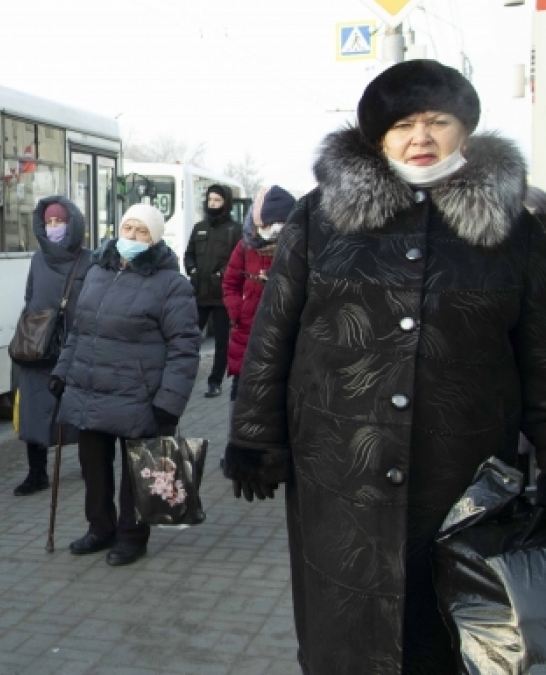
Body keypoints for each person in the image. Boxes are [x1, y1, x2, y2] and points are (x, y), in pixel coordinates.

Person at [222, 59, 546, 674]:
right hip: (338, 470)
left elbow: (540, 354)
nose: (419, 138)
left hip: (462, 480)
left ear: (465, 130)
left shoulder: (514, 233)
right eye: (402, 125)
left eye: (436, 122)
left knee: (444, 634)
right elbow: (273, 336)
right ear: (378, 137)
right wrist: (256, 436)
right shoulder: (320, 219)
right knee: (342, 633)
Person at [51, 204, 201, 565]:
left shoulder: (172, 285)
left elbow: (185, 347)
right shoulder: (98, 272)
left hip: (139, 395)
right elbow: (78, 331)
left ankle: (132, 536)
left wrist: (170, 400)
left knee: (138, 470)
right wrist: (61, 371)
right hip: (90, 389)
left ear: (156, 238)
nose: (131, 237)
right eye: (127, 228)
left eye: (141, 232)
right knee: (93, 467)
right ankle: (99, 528)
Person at [11, 197, 90, 496]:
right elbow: (30, 299)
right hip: (39, 346)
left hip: (75, 346)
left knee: (80, 409)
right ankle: (36, 473)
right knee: (34, 410)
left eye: (60, 222)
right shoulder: (37, 259)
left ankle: (89, 464)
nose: (54, 228)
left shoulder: (88, 260)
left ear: (73, 225)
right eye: (49, 222)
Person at [221, 185, 295, 403]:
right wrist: (238, 312)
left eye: (280, 224)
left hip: (282, 337)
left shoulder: (298, 249)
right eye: (269, 224)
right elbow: (230, 283)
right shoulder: (245, 247)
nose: (273, 230)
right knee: (241, 404)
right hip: (246, 334)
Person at [183, 184, 240, 398]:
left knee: (222, 342)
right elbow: (189, 254)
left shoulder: (235, 230)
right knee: (188, 339)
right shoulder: (199, 227)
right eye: (210, 200)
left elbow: (237, 259)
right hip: (198, 294)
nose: (213, 204)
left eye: (217, 200)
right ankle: (185, 379)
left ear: (225, 202)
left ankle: (214, 382)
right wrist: (192, 269)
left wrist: (222, 274)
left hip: (221, 296)